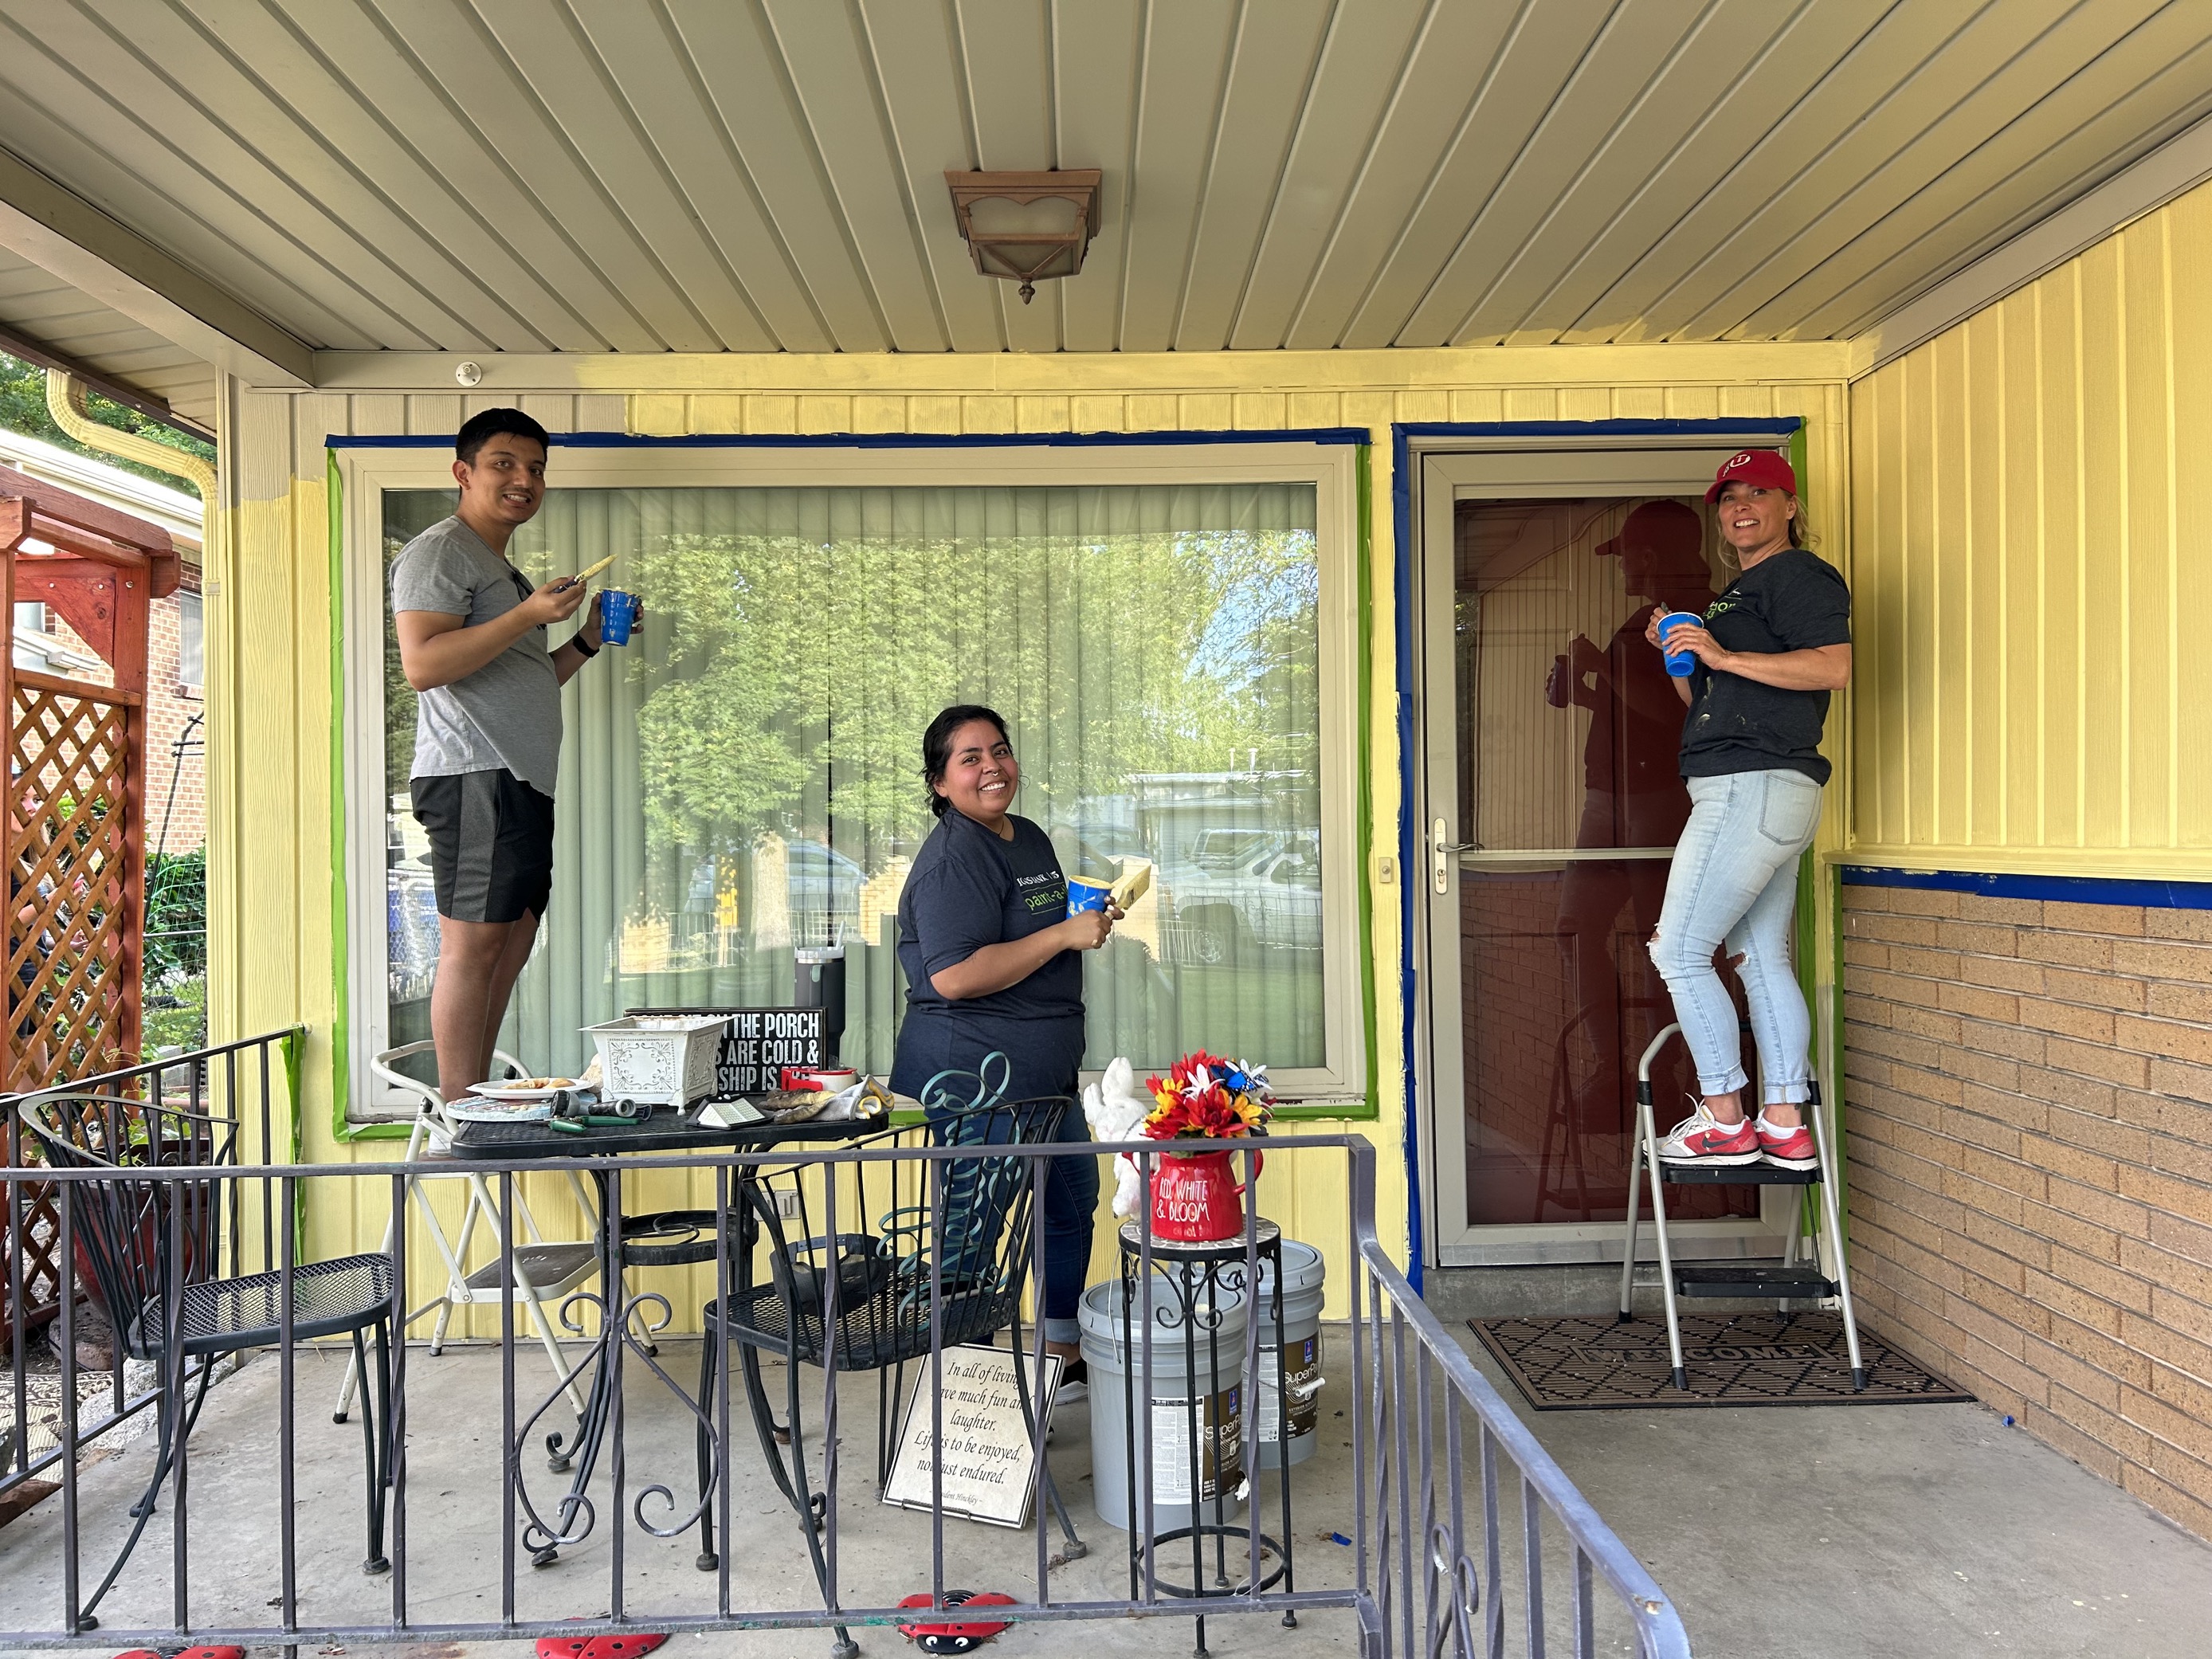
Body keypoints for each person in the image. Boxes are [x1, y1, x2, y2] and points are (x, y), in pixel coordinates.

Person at [391, 409, 615, 1102]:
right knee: (475, 946)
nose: (524, 480)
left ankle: (478, 1095)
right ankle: (462, 1112)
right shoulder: (441, 552)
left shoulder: (497, 568)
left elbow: (524, 681)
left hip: (517, 780)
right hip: (473, 775)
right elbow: (423, 665)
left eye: (537, 468)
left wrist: (583, 642)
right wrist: (526, 616)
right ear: (463, 473)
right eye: (505, 464)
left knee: (510, 945)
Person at [889, 705, 1116, 1375]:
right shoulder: (953, 860)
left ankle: (1059, 1352)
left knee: (1070, 1205)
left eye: (1000, 750)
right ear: (939, 782)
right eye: (970, 758)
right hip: (977, 1076)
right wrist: (1061, 937)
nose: (992, 767)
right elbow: (955, 975)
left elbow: (1032, 929)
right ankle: (967, 1394)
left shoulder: (1028, 837)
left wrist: (1086, 918)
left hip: (1042, 1074)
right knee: (973, 1233)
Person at [1644, 449, 1851, 1168]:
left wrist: (1725, 658)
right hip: (1763, 788)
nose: (1740, 507)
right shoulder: (1740, 595)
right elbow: (1707, 706)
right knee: (1761, 957)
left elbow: (1834, 666)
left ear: (1790, 506)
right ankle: (1784, 1120)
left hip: (1752, 785)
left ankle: (1725, 1116)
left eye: (1758, 492)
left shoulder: (1797, 575)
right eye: (1729, 497)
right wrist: (1689, 656)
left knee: (1679, 951)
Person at [1547, 501, 1716, 1144]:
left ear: (1648, 555)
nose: (1621, 567)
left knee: (1660, 941)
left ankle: (1660, 1073)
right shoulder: (1644, 616)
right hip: (1610, 795)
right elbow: (1633, 707)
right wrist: (1584, 688)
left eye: (1625, 555)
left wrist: (1604, 661)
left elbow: (1681, 712)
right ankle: (1613, 1069)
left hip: (1656, 799)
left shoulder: (1690, 611)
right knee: (1575, 929)